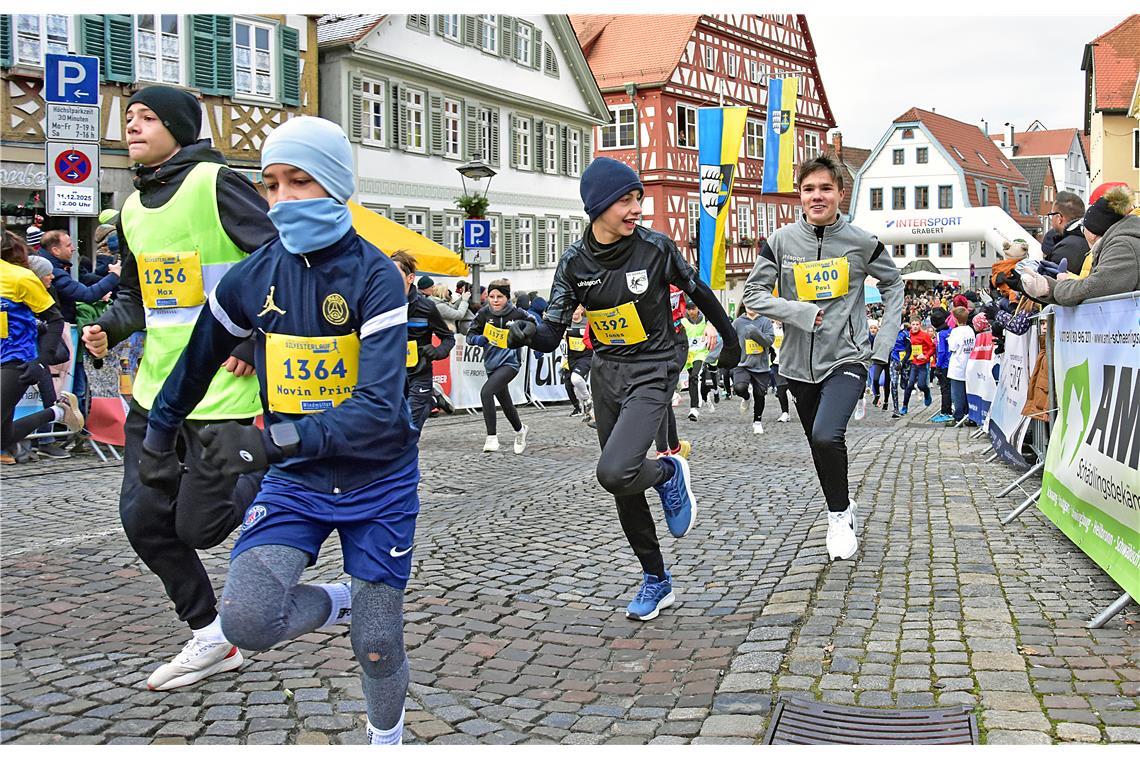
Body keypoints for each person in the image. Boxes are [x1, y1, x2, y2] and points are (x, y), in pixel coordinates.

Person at [141, 116, 417, 744]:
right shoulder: (253, 274)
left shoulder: (375, 277)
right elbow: (196, 359)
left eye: (301, 182)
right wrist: (159, 437)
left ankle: (387, 740)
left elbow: (378, 408)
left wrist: (270, 441)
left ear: (338, 187)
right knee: (246, 621)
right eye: (270, 185)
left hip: (379, 481)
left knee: (377, 644)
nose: (283, 199)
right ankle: (336, 600)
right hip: (298, 482)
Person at [80, 85, 277, 690]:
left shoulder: (216, 184)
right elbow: (143, 299)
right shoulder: (132, 211)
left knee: (200, 527)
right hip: (157, 393)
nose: (132, 127)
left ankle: (269, 469)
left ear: (179, 127)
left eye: (147, 118)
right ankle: (211, 634)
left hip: (224, 391)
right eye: (129, 118)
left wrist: (249, 340)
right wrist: (108, 329)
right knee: (142, 520)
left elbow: (278, 261)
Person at [507, 156, 740, 620]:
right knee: (624, 488)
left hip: (654, 368)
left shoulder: (655, 248)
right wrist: (528, 332)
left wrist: (728, 338)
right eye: (625, 200)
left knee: (614, 470)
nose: (636, 209)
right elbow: (553, 330)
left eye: (638, 198)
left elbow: (699, 292)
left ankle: (670, 473)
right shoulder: (574, 262)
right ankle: (656, 579)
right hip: (606, 371)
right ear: (598, 207)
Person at [742, 154, 903, 562]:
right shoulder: (780, 242)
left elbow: (894, 285)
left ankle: (836, 517)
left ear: (840, 194)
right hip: (797, 364)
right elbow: (752, 295)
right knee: (819, 444)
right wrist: (796, 312)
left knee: (827, 435)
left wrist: (881, 346)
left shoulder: (862, 243)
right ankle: (845, 505)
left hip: (846, 357)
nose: (817, 196)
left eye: (825, 188)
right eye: (809, 189)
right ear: (800, 195)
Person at [1, 232, 84, 460]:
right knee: (3, 437)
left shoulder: (19, 278)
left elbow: (54, 319)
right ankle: (58, 411)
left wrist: (41, 361)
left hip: (15, 360)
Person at [1020, 186, 1139, 305]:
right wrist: (1049, 287)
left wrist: (1051, 287)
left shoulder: (1123, 247)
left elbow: (1095, 288)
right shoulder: (1122, 242)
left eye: (1083, 229)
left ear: (1092, 234)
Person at [386, 252, 455, 430]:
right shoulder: (381, 305)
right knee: (393, 426)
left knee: (409, 427)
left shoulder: (426, 307)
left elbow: (448, 338)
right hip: (392, 374)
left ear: (410, 278)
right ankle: (432, 399)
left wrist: (438, 351)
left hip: (420, 372)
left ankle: (429, 397)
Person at [466, 279, 532, 454]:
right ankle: (520, 430)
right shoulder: (483, 314)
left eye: (500, 297)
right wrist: (477, 339)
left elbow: (535, 325)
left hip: (511, 363)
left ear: (507, 297)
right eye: (492, 296)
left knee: (486, 392)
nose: (495, 300)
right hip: (491, 363)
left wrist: (526, 335)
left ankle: (492, 438)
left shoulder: (518, 313)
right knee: (505, 402)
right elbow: (470, 334)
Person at [732, 305, 775, 434]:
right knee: (739, 388)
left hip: (761, 365)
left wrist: (754, 332)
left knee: (760, 395)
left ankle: (757, 421)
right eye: (747, 303)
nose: (750, 306)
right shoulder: (738, 322)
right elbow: (729, 339)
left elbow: (769, 341)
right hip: (742, 364)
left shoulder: (765, 321)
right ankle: (746, 398)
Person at [1044, 191, 1090, 275]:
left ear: (1059, 218)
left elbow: (1049, 282)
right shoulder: (1087, 237)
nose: (1051, 219)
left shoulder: (1067, 247)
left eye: (1051, 215)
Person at [563, 304, 594, 426]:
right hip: (571, 358)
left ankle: (588, 399)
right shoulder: (566, 323)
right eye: (572, 309)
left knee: (576, 379)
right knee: (571, 385)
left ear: (581, 310)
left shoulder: (588, 322)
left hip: (586, 356)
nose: (574, 312)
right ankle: (587, 412)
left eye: (576, 309)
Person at [946, 306, 975, 424]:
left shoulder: (955, 331)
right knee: (967, 392)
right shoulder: (970, 330)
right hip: (968, 365)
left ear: (956, 319)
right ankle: (969, 415)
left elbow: (952, 347)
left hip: (957, 366)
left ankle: (957, 416)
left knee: (957, 394)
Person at [681, 302, 710, 421]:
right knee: (693, 379)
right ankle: (705, 395)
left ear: (698, 308)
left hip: (701, 353)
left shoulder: (705, 321)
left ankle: (694, 409)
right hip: (688, 355)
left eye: (693, 309)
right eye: (689, 309)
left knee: (694, 376)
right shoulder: (683, 322)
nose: (691, 312)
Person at [900, 317, 934, 415]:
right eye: (913, 324)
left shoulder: (924, 335)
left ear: (920, 325)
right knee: (909, 385)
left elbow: (932, 348)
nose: (915, 327)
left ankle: (927, 392)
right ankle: (904, 406)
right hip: (912, 364)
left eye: (917, 324)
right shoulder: (907, 335)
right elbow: (902, 346)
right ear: (910, 325)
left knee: (921, 385)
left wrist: (926, 355)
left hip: (922, 363)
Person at [929, 307, 954, 424]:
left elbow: (941, 351)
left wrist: (938, 366)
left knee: (945, 389)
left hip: (944, 365)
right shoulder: (950, 331)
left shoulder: (940, 334)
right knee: (949, 388)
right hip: (952, 363)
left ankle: (946, 412)